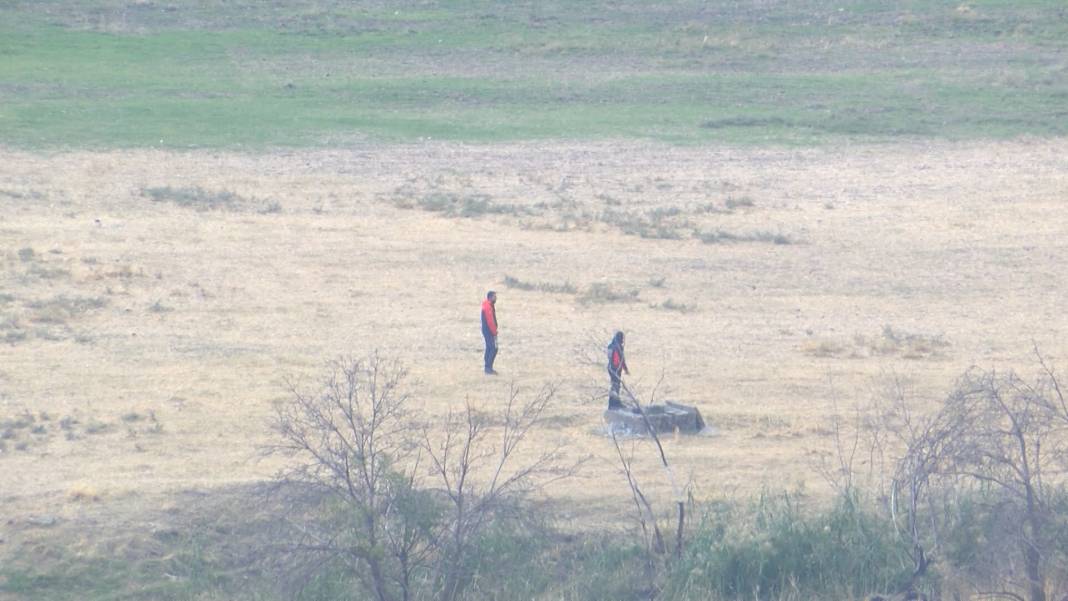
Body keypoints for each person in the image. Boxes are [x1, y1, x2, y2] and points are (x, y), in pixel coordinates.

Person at [606, 331, 630, 409]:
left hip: (610, 368)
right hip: (616, 369)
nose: (622, 340)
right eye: (622, 338)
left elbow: (610, 358)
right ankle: (614, 404)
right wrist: (625, 369)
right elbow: (621, 360)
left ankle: (612, 403)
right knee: (616, 386)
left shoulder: (610, 346)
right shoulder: (618, 347)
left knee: (614, 385)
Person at [481, 291, 499, 375]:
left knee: (489, 348)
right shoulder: (488, 307)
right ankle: (488, 368)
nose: (496, 298)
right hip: (489, 331)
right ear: (490, 297)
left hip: (487, 330)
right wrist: (494, 332)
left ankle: (488, 367)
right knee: (493, 348)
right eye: (494, 297)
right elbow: (490, 321)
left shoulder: (488, 305)